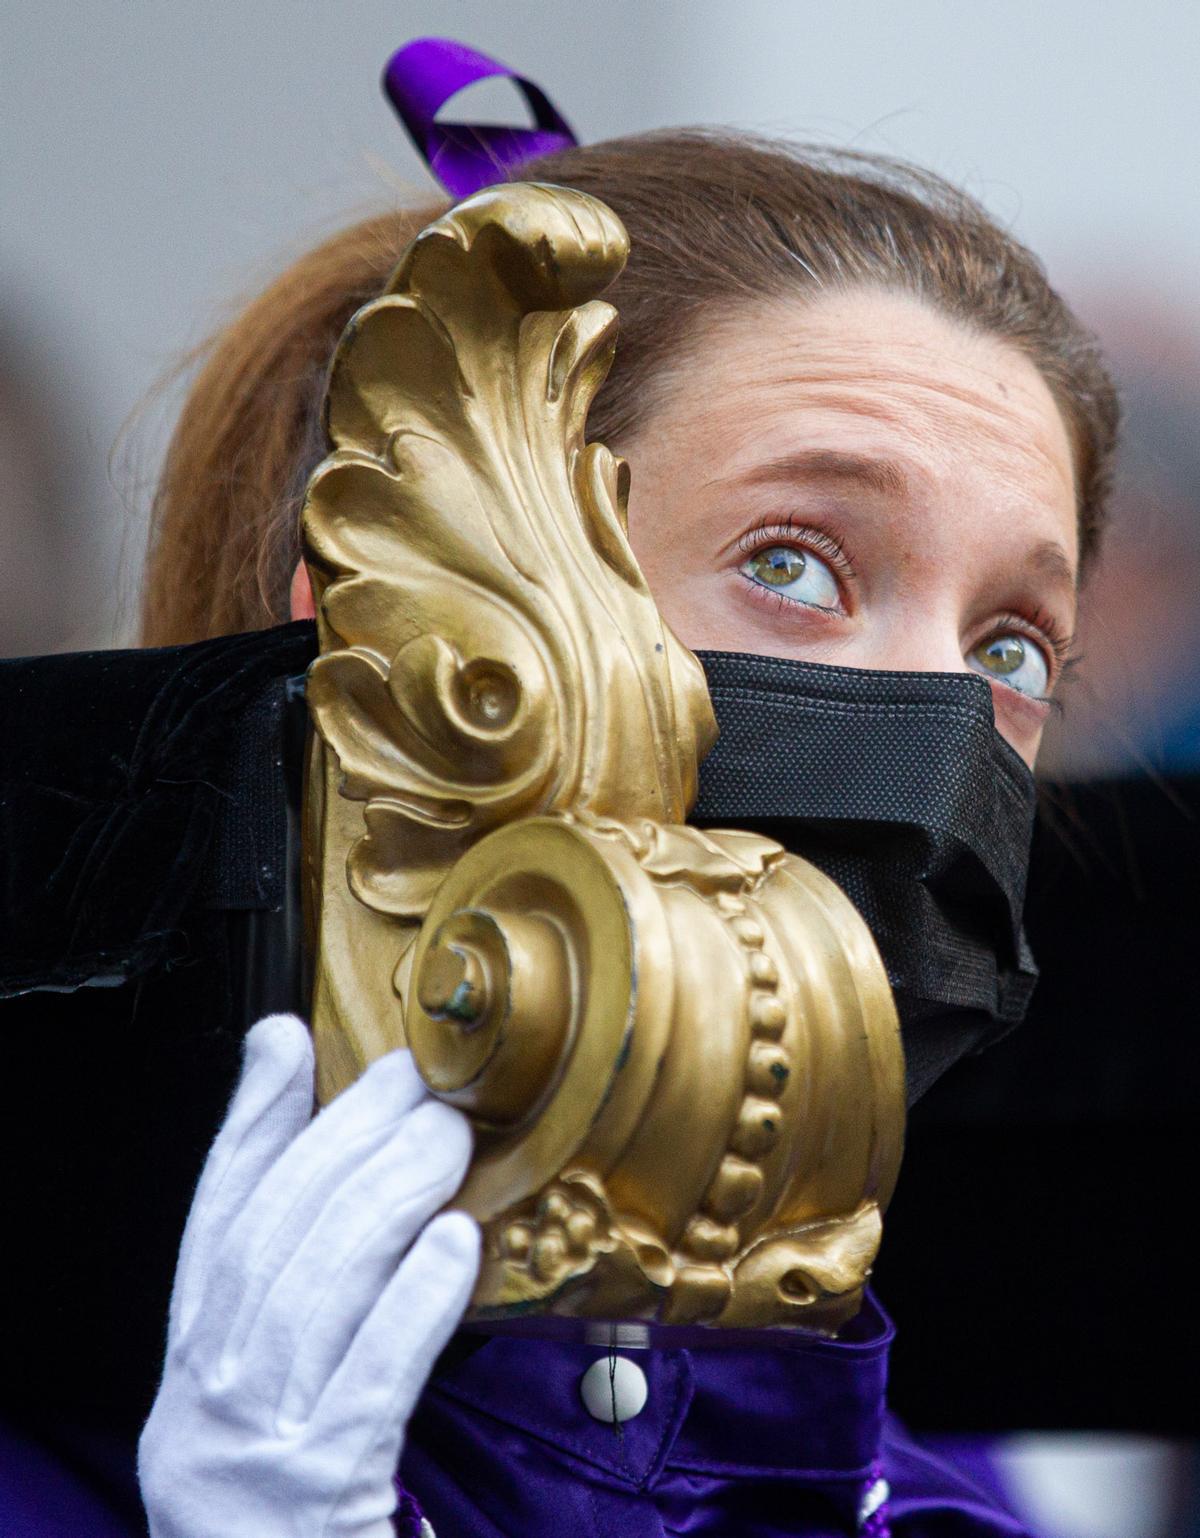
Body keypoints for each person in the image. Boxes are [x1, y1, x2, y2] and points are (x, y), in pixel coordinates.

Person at [110, 41, 1121, 1538]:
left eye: (1013, 646)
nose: (943, 723)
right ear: (409, 627)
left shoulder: (962, 1508)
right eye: (795, 564)